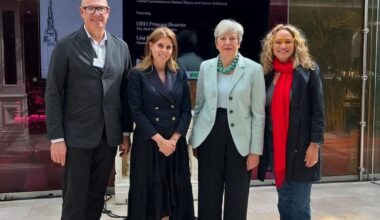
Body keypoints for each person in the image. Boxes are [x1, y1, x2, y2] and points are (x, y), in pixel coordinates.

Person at [45, 0, 133, 219]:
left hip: (108, 137)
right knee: (75, 199)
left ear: (108, 12)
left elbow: (125, 93)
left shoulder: (121, 47)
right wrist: (56, 138)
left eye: (101, 8)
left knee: (96, 196)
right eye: (91, 8)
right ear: (82, 12)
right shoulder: (65, 46)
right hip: (76, 137)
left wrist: (125, 132)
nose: (97, 13)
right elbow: (53, 92)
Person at [189, 19, 266, 220]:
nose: (228, 42)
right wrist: (195, 139)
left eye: (232, 38)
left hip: (240, 139)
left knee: (237, 194)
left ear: (239, 42)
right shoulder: (206, 67)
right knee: (208, 192)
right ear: (216, 43)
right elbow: (199, 106)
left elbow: (258, 114)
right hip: (210, 134)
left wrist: (255, 151)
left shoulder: (253, 69)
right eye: (223, 38)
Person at [257, 24, 325, 220]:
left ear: (296, 45)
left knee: (300, 203)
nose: (283, 46)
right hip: (276, 146)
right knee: (284, 199)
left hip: (301, 146)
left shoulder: (309, 71)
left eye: (288, 41)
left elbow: (318, 112)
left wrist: (315, 145)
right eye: (278, 42)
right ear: (271, 46)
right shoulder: (268, 74)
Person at [127, 27, 194, 220]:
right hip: (150, 143)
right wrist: (160, 141)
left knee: (175, 191)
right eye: (160, 45)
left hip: (174, 145)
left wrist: (173, 140)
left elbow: (185, 110)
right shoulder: (137, 74)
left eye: (169, 47)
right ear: (150, 46)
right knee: (150, 193)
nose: (164, 50)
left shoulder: (179, 73)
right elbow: (136, 112)